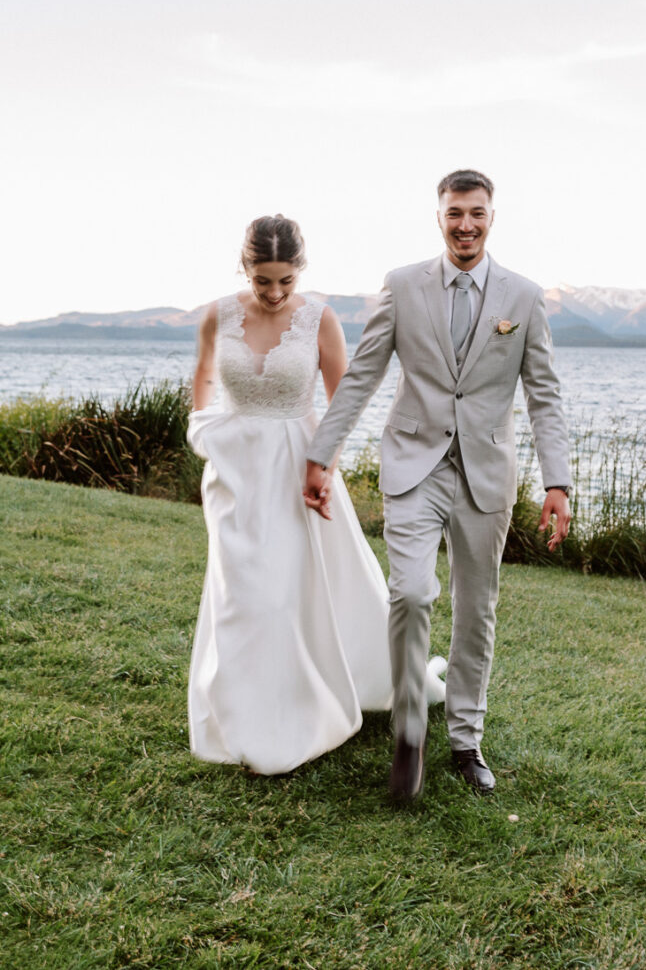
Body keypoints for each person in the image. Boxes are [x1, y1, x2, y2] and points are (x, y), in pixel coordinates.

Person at [304, 170, 572, 801]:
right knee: (411, 594)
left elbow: (545, 396)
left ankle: (466, 741)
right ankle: (409, 731)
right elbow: (362, 377)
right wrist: (323, 453)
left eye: (476, 213)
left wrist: (556, 481)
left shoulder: (525, 298)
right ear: (440, 217)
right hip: (413, 464)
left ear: (491, 217)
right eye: (455, 213)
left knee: (476, 608)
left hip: (486, 473)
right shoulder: (401, 287)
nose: (466, 225)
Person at [186, 214, 446, 776]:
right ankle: (241, 712)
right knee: (241, 595)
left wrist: (323, 467)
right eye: (263, 281)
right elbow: (202, 382)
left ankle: (293, 715)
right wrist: (205, 431)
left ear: (299, 271)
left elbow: (344, 403)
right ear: (245, 268)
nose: (275, 293)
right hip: (233, 475)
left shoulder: (320, 321)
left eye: (286, 280)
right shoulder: (216, 316)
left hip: (299, 471)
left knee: (285, 594)